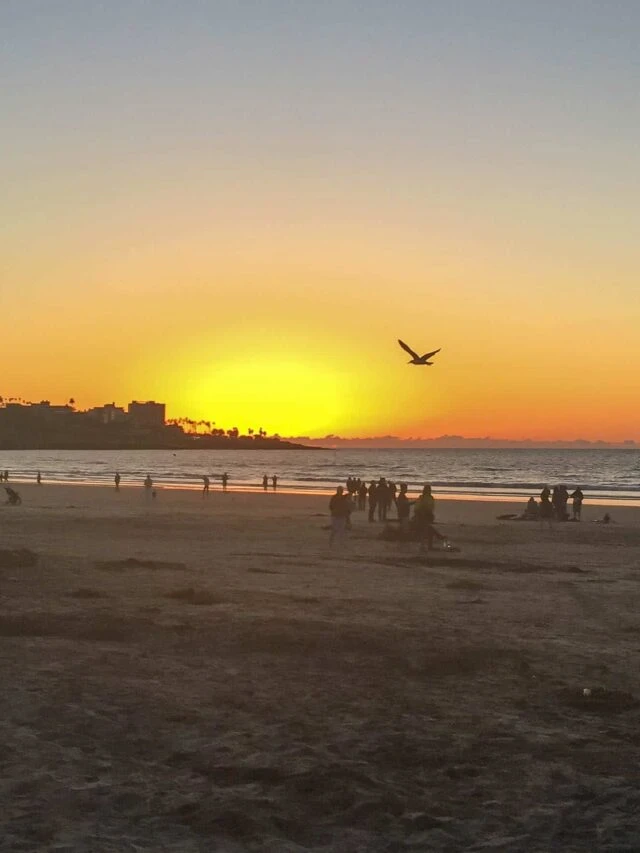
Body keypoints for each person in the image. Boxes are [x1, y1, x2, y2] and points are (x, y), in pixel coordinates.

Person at [412, 484, 446, 552]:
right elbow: (418, 509)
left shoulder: (429, 498)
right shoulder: (422, 498)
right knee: (426, 531)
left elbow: (430, 508)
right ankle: (428, 545)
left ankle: (430, 544)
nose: (429, 491)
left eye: (429, 490)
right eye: (428, 490)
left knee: (428, 530)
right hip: (421, 516)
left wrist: (430, 515)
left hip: (426, 516)